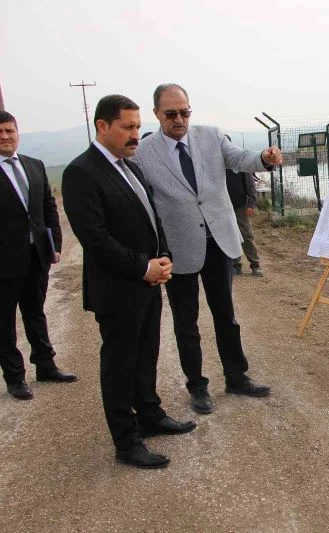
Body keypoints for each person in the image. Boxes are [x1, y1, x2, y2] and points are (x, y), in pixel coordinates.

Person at [131, 83, 283, 415]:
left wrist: (264, 158)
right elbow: (140, 201)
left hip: (219, 241)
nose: (179, 119)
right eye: (171, 114)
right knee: (186, 323)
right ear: (156, 114)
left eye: (184, 112)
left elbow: (241, 159)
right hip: (178, 248)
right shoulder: (144, 153)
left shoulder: (211, 136)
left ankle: (236, 376)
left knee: (225, 315)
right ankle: (197, 387)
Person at [62, 94, 196, 469]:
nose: (136, 134)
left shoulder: (130, 166)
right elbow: (96, 238)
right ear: (102, 126)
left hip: (148, 283)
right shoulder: (82, 172)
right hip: (118, 289)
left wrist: (164, 255)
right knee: (119, 365)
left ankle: (150, 415)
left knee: (147, 355)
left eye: (138, 126)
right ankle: (126, 441)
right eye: (128, 127)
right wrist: (143, 267)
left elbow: (152, 218)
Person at [0, 110, 76, 400]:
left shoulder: (34, 165)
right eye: (0, 132)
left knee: (35, 313)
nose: (5, 137)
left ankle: (45, 365)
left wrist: (54, 243)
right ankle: (15, 377)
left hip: (36, 256)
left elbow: (48, 208)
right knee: (4, 322)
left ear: (18, 133)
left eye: (9, 130)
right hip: (3, 262)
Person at [224, 137, 263, 277]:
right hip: (223, 208)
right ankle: (235, 264)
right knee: (230, 236)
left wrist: (251, 203)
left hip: (240, 206)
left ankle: (255, 264)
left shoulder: (239, 163)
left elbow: (250, 185)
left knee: (246, 235)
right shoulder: (215, 164)